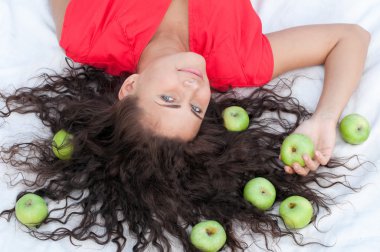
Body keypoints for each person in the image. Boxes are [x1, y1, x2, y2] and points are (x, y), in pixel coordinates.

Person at [0, 0, 370, 251]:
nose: (193, 88)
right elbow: (350, 37)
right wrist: (324, 117)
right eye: (194, 108)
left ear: (130, 88)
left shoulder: (87, 35)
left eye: (168, 98)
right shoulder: (238, 60)